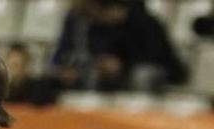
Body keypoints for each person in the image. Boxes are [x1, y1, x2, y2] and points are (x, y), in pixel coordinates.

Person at [51, 0, 187, 92]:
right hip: (121, 72)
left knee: (142, 74)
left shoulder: (146, 23)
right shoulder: (101, 27)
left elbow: (154, 56)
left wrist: (123, 65)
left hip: (155, 71)